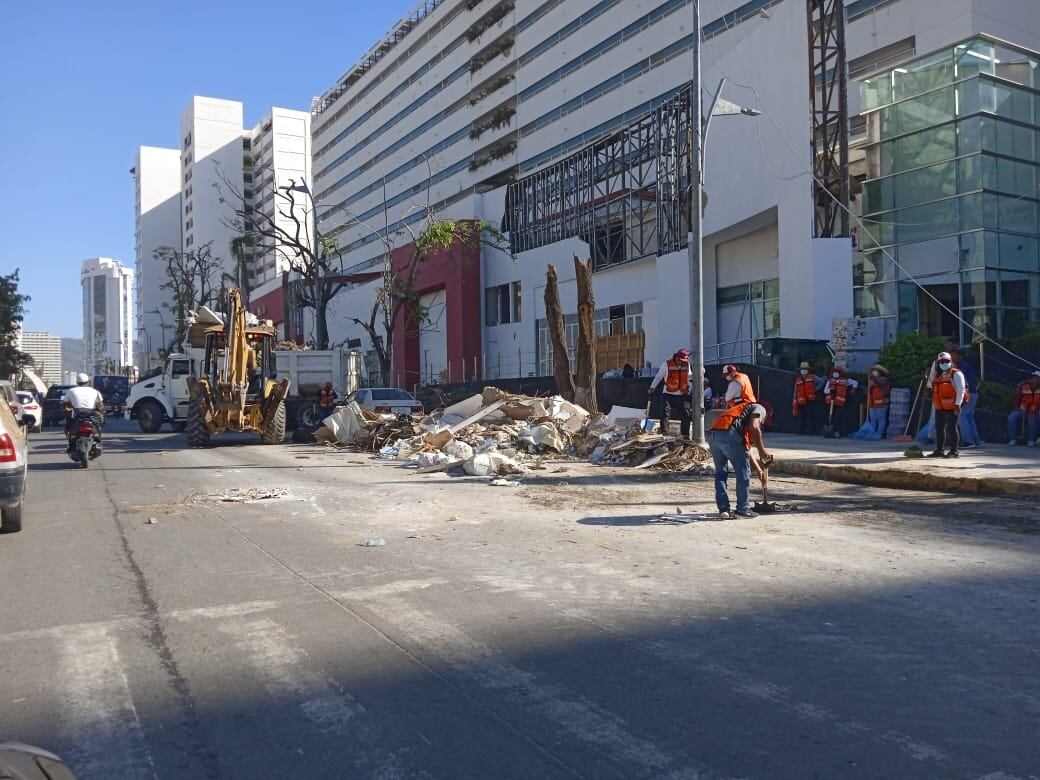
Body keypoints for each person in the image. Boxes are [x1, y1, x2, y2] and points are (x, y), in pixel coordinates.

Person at [707, 401, 772, 520]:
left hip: (713, 435)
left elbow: (746, 450)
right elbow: (755, 426)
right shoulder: (760, 408)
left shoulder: (740, 417)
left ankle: (724, 510)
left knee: (721, 474)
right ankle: (743, 509)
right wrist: (762, 451)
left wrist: (758, 470)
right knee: (743, 473)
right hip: (729, 434)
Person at [926, 351, 967, 458]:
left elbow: (961, 390)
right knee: (939, 427)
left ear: (950, 362)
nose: (944, 363)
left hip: (952, 406)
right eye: (941, 362)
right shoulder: (938, 375)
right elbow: (930, 384)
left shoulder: (956, 374)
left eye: (946, 361)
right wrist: (932, 368)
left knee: (952, 428)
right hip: (940, 406)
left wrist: (958, 404)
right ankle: (939, 450)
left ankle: (954, 451)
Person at [649, 349, 694, 438]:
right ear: (676, 357)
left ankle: (685, 435)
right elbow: (659, 376)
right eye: (681, 360)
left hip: (681, 394)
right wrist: (652, 387)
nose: (682, 362)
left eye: (684, 361)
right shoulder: (666, 364)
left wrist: (699, 372)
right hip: (668, 394)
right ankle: (664, 434)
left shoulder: (686, 364)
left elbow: (688, 376)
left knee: (686, 413)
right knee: (665, 413)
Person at [63, 373, 104, 451]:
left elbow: (64, 404)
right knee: (98, 425)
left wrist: (66, 409)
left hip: (76, 415)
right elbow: (100, 405)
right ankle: (98, 441)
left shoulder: (71, 391)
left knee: (66, 425)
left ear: (77, 382)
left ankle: (70, 442)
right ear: (88, 382)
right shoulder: (95, 391)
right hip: (91, 415)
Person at [955, 348, 983, 448]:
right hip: (972, 393)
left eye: (955, 355)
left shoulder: (962, 366)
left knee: (962, 415)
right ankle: (975, 440)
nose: (953, 358)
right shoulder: (963, 365)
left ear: (960, 356)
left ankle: (968, 441)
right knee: (969, 416)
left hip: (969, 393)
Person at [823, 365, 858, 437]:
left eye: (837, 372)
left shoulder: (845, 381)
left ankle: (837, 431)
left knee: (837, 417)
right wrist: (831, 390)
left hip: (839, 402)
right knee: (829, 417)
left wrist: (853, 389)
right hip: (830, 402)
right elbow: (825, 391)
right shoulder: (830, 381)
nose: (835, 374)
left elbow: (855, 383)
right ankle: (829, 431)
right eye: (834, 372)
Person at [1007, 370, 1040, 446]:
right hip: (1022, 410)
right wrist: (1016, 408)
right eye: (1033, 377)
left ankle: (1031, 440)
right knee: (1012, 417)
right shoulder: (1024, 386)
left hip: (1035, 411)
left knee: (1032, 418)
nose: (1034, 380)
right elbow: (1017, 399)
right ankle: (1013, 439)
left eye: (1037, 378)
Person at [792, 361, 823, 435]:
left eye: (805, 369)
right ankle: (802, 430)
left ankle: (813, 431)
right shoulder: (798, 379)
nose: (803, 370)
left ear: (808, 370)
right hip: (801, 400)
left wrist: (814, 389)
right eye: (802, 369)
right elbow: (796, 390)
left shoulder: (813, 377)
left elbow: (822, 382)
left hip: (810, 399)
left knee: (810, 415)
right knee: (802, 416)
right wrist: (794, 399)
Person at [865, 364, 891, 439]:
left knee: (881, 418)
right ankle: (872, 433)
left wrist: (872, 378)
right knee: (873, 419)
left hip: (882, 402)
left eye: (876, 371)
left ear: (880, 372)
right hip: (872, 403)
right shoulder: (871, 381)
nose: (874, 372)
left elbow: (880, 384)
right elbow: (867, 391)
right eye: (873, 371)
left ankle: (879, 433)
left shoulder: (884, 379)